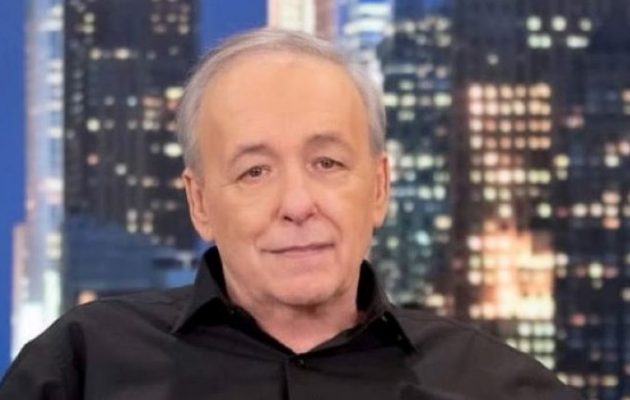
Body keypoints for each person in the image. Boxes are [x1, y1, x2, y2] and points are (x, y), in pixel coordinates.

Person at [0, 28, 582, 400]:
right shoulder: (80, 367)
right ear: (199, 202)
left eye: (327, 162)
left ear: (379, 188)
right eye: (255, 171)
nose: (298, 205)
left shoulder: (501, 387)